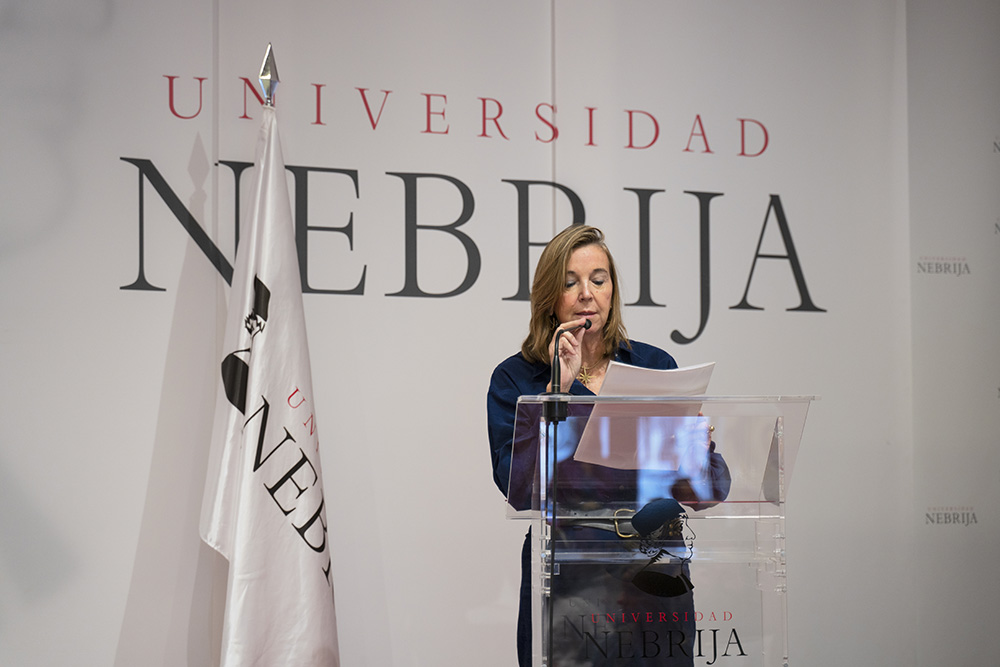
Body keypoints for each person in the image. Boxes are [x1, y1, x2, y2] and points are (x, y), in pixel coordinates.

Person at [486, 225, 730, 666]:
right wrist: (557, 393)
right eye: (570, 282)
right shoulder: (517, 377)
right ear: (549, 296)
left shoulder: (655, 365)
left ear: (612, 289)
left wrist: (696, 450)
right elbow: (516, 485)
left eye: (598, 280)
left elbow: (705, 491)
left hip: (655, 569)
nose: (587, 293)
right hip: (570, 573)